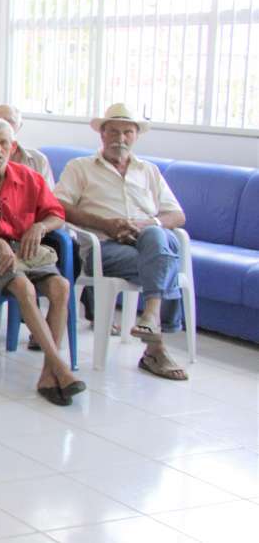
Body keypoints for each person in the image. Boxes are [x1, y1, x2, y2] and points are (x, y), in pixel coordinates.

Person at [0, 119, 85, 405]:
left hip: (27, 251)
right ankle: (60, 368)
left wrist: (40, 227)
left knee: (60, 286)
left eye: (3, 143)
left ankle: (49, 373)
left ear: (13, 147)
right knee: (23, 288)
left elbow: (56, 214)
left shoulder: (30, 178)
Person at [55, 103, 189, 381]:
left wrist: (145, 225)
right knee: (167, 262)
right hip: (104, 247)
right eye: (114, 131)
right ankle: (155, 344)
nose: (121, 138)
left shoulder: (148, 170)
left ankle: (151, 324)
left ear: (136, 136)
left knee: (155, 236)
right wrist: (107, 224)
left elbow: (177, 214)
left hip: (147, 243)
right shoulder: (80, 168)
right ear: (102, 135)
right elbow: (58, 206)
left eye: (128, 132)